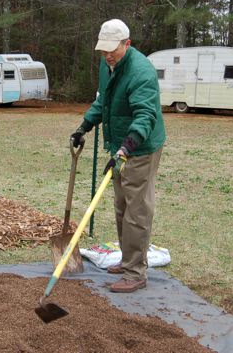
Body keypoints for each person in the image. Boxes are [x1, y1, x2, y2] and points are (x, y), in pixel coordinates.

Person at [70, 19, 166, 293]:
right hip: (120, 144)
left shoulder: (141, 72)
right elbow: (104, 100)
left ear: (128, 44)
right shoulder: (107, 64)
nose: (107, 55)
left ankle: (136, 273)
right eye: (103, 50)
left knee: (136, 212)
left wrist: (126, 149)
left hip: (141, 147)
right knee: (121, 206)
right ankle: (127, 261)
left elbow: (146, 116)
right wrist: (84, 126)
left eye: (113, 49)